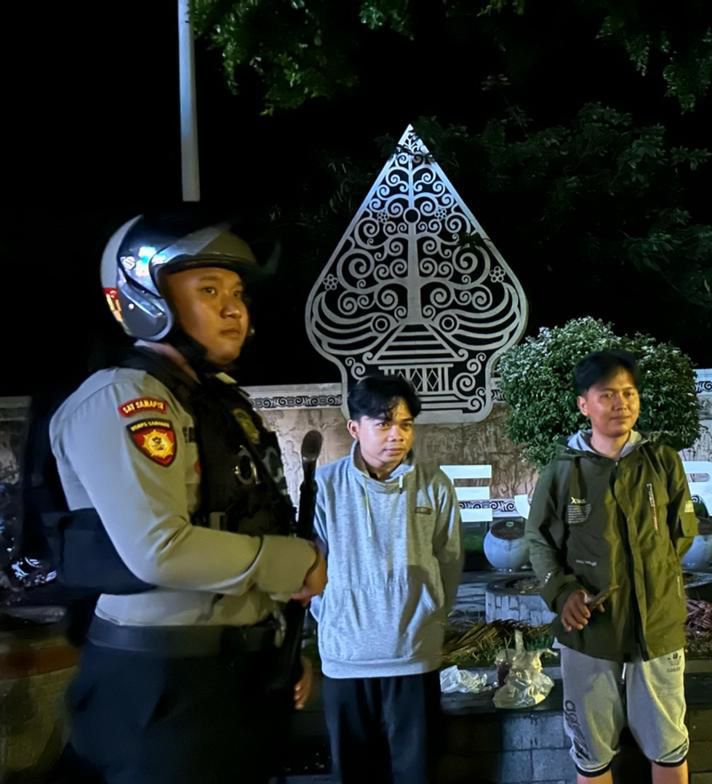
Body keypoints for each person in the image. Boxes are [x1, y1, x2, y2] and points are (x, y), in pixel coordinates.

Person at [53, 210, 327, 784]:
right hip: (163, 686)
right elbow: (160, 549)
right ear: (147, 298)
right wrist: (295, 562)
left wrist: (274, 646)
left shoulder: (216, 401)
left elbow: (244, 525)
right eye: (209, 290)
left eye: (237, 293)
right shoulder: (126, 398)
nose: (233, 309)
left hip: (229, 676)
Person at [524, 349, 700, 784]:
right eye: (607, 395)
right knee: (592, 750)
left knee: (668, 744)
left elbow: (680, 533)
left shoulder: (661, 461)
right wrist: (563, 592)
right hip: (590, 630)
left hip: (657, 628)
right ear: (584, 405)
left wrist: (654, 583)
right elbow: (539, 540)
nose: (621, 403)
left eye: (629, 393)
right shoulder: (563, 471)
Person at [309, 373, 463, 784]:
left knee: (417, 773)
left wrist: (431, 616)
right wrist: (336, 616)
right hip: (346, 660)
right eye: (384, 424)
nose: (397, 435)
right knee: (357, 775)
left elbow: (449, 562)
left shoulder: (434, 485)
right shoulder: (325, 487)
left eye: (406, 424)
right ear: (354, 428)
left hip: (414, 656)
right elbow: (311, 569)